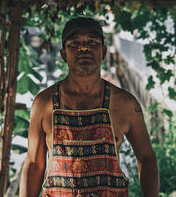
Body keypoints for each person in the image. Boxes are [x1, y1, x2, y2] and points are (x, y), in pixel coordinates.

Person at [20, 17, 159, 197]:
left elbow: (147, 158)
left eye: (92, 42)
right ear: (63, 55)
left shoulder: (125, 104)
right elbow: (34, 164)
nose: (83, 48)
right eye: (74, 43)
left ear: (102, 51)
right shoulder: (43, 104)